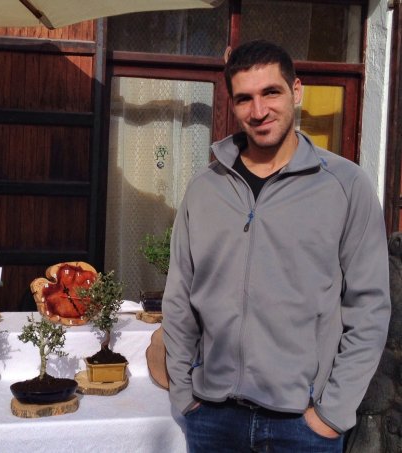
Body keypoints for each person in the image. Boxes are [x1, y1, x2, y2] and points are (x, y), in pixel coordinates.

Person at [161, 39, 391, 452]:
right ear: (232, 104)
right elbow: (179, 298)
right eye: (244, 98)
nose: (259, 110)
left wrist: (332, 414)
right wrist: (184, 393)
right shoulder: (204, 189)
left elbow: (369, 307)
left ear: (296, 90)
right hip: (212, 417)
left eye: (271, 92)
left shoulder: (346, 186)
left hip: (303, 424)